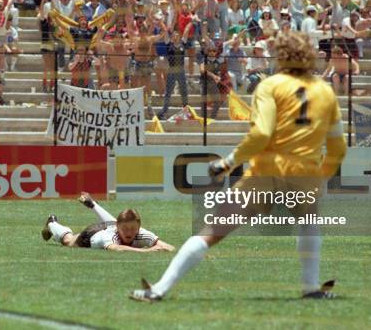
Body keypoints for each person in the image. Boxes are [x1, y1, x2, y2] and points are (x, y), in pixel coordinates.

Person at [130, 31, 347, 302]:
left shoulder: (270, 86)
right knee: (308, 223)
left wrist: (228, 161)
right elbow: (339, 149)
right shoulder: (325, 91)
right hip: (304, 174)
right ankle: (311, 287)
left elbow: (261, 134)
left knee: (212, 231)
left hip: (266, 172)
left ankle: (159, 290)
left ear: (280, 55)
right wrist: (320, 177)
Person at [41, 192, 175, 252]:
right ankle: (52, 222)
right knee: (68, 241)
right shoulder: (111, 237)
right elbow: (116, 248)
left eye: (133, 229)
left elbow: (168, 247)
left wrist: (168, 249)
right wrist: (148, 251)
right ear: (118, 228)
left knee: (115, 222)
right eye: (125, 229)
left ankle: (92, 204)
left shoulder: (141, 233)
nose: (129, 233)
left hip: (111, 225)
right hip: (92, 234)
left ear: (139, 227)